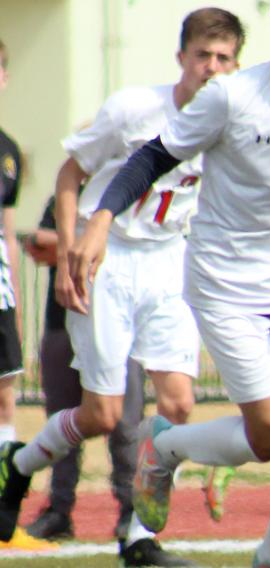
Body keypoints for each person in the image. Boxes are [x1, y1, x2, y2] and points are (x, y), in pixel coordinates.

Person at [22, 1, 270, 566]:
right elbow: (151, 157)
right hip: (226, 283)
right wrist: (101, 221)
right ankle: (168, 447)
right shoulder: (233, 97)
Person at [0, 8, 245, 567]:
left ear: (235, 66)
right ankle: (16, 465)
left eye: (223, 58)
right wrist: (68, 251)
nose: (211, 67)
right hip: (108, 255)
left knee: (179, 403)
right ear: (181, 57)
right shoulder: (135, 109)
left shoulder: (231, 124)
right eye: (202, 55)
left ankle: (137, 534)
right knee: (102, 415)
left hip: (169, 259)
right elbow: (70, 174)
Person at [23, 195, 146, 545]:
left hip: (119, 330)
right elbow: (36, 244)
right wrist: (86, 246)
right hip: (62, 322)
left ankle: (130, 511)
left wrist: (65, 247)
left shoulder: (128, 191)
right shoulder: (67, 197)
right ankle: (59, 511)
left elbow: (132, 251)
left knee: (125, 424)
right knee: (62, 423)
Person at [0, 37, 53, 553]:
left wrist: (13, 297)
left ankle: (1, 515)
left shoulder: (8, 150)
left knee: (4, 392)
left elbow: (7, 227)